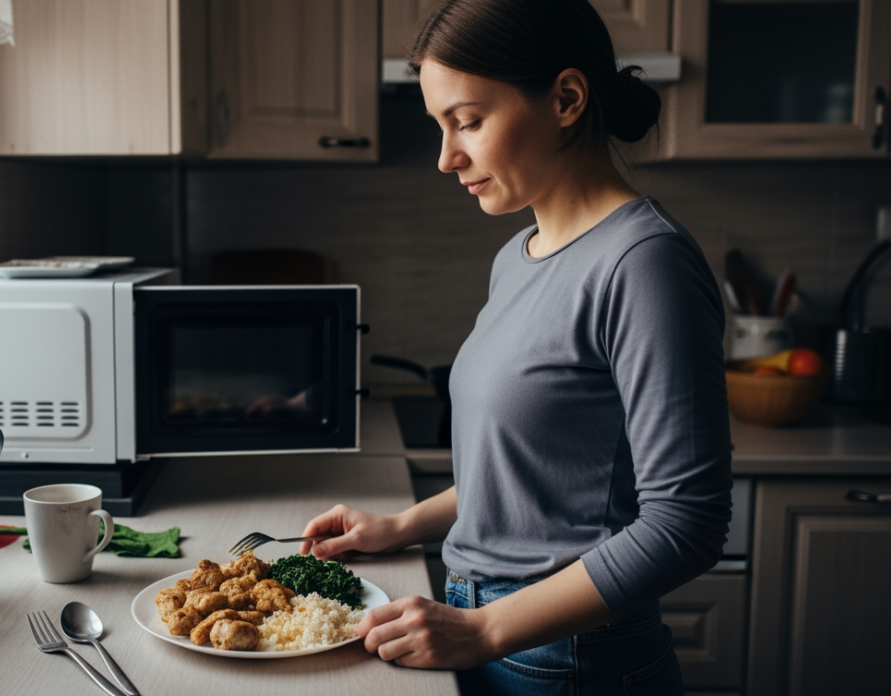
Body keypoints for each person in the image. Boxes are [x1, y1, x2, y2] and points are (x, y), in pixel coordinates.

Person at [297, 1, 733, 693]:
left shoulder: (645, 264)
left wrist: (484, 630)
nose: (447, 158)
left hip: (571, 655)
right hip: (482, 624)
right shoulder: (518, 255)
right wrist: (402, 526)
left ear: (565, 98)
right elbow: (533, 475)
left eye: (468, 122)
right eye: (441, 128)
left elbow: (688, 523)